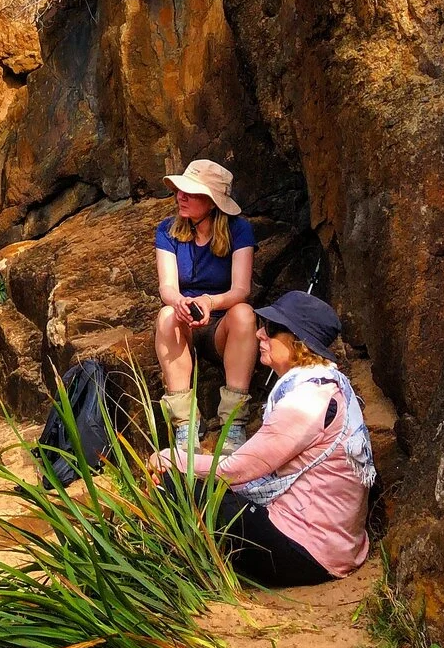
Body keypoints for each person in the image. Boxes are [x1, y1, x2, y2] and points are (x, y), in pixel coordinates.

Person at [156, 289, 376, 587]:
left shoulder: (306, 402)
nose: (260, 333)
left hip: (306, 554)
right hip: (336, 546)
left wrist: (174, 459)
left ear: (299, 343)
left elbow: (237, 470)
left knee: (176, 484)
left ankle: (192, 578)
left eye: (271, 329)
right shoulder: (328, 385)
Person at [151, 158, 257, 452]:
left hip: (221, 325)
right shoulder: (168, 230)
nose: (180, 197)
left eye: (191, 192)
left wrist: (211, 301)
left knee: (244, 314)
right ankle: (185, 425)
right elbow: (167, 287)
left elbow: (241, 289)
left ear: (212, 203)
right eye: (180, 190)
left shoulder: (240, 230)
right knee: (166, 314)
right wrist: (182, 302)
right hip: (185, 322)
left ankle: (233, 422)